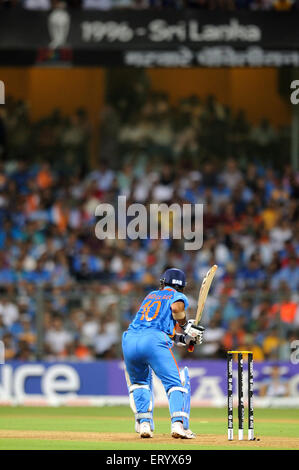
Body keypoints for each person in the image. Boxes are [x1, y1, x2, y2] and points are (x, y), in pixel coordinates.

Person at [122, 268, 204, 439]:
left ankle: (144, 425)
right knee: (175, 384)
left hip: (130, 340)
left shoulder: (151, 295)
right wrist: (185, 325)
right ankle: (178, 425)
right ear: (181, 287)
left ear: (162, 282)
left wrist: (186, 338)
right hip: (153, 341)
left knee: (140, 383)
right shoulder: (177, 296)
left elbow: (164, 329)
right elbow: (176, 308)